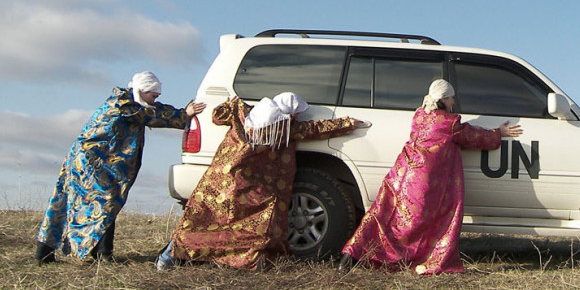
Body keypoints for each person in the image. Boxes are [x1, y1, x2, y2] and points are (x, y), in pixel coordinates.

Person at [156, 92, 364, 271]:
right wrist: (348, 123)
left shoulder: (244, 115)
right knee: (254, 226)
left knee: (201, 221)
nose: (297, 116)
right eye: (296, 113)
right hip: (249, 187)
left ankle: (169, 257)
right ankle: (249, 260)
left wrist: (231, 103)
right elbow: (315, 129)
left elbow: (218, 116)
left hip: (219, 181)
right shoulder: (283, 128)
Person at [340, 78, 522, 275]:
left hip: (400, 177)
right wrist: (499, 132)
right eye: (452, 98)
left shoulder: (419, 115)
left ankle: (350, 255)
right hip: (422, 183)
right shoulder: (450, 123)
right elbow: (474, 136)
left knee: (382, 216)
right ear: (443, 99)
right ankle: (405, 258)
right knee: (418, 223)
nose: (454, 102)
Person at [35, 72, 205, 263]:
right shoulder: (122, 104)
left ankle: (60, 253)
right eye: (153, 95)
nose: (155, 99)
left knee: (74, 203)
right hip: (91, 163)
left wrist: (182, 112)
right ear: (141, 90)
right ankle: (99, 254)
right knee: (105, 202)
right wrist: (183, 115)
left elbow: (154, 109)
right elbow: (148, 115)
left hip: (94, 162)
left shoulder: (130, 101)